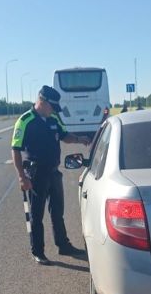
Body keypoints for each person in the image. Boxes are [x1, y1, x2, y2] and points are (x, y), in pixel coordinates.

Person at [11, 85, 91, 265]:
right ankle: (38, 251)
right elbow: (15, 150)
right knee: (37, 215)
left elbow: (64, 135)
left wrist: (79, 139)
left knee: (57, 212)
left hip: (54, 172)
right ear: (42, 102)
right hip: (36, 174)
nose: (53, 110)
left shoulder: (53, 118)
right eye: (52, 107)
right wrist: (22, 177)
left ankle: (63, 245)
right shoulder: (25, 121)